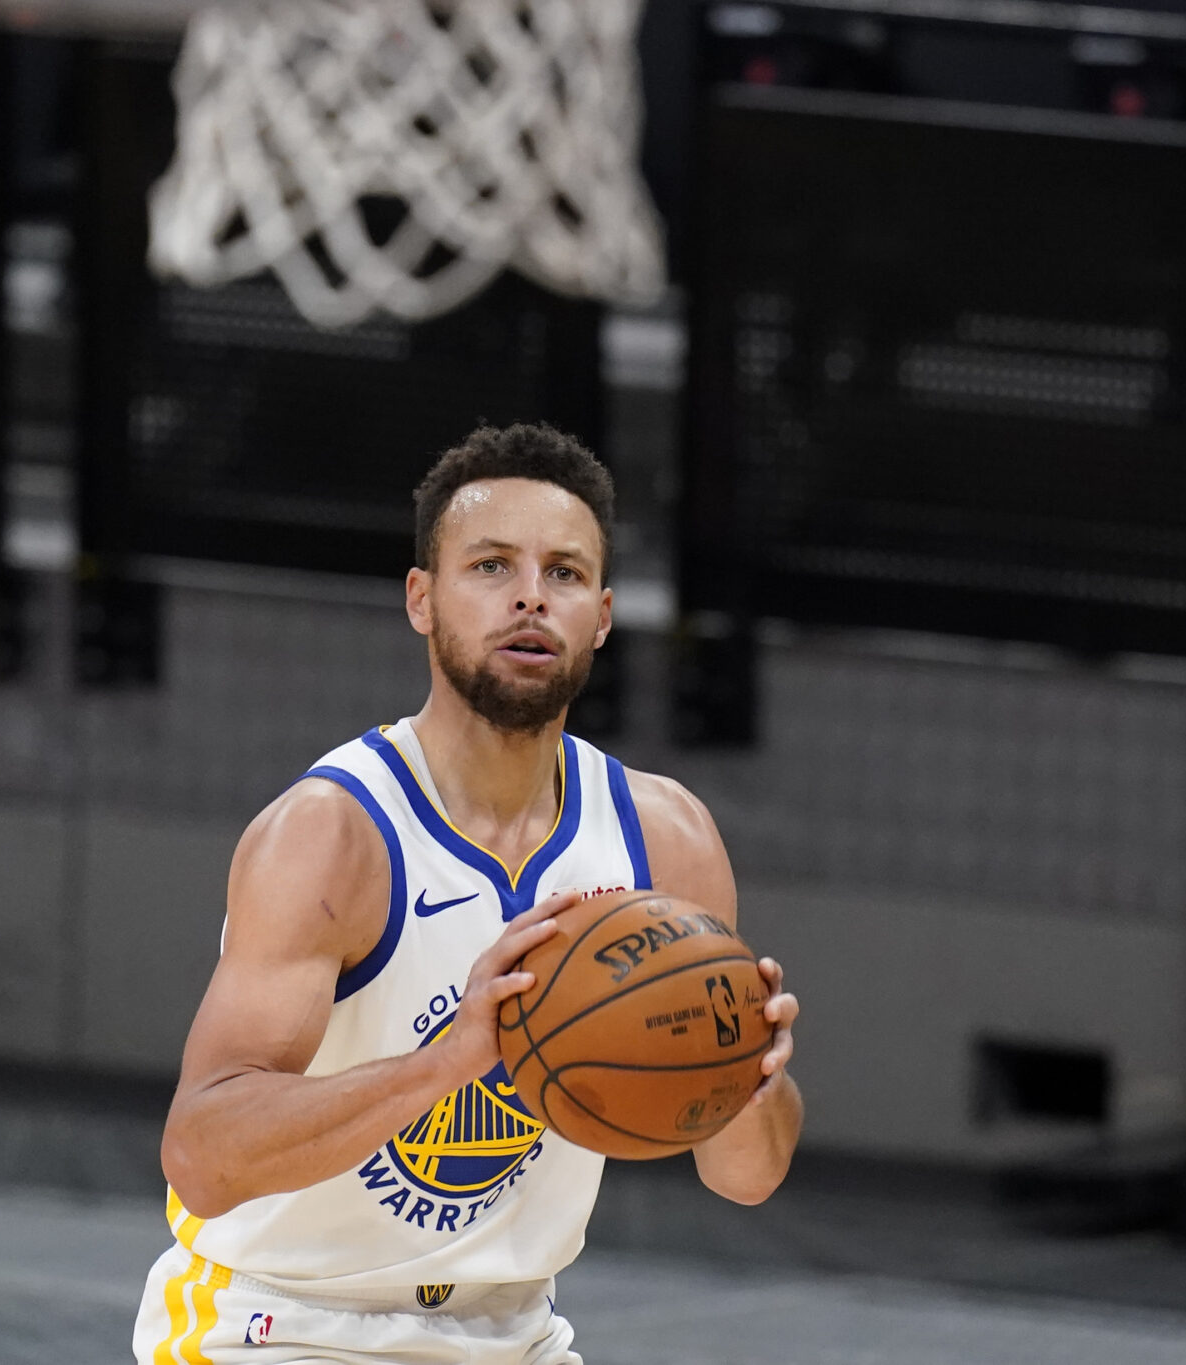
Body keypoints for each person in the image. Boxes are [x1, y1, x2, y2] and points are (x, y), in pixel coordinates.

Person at [135, 423, 803, 1365]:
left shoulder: (666, 840)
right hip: (281, 1323)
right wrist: (451, 1060)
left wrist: (748, 1072)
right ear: (422, 598)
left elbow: (747, 1177)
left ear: (602, 616)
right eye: (492, 566)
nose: (531, 594)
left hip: (512, 1333)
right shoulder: (333, 836)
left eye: (564, 573)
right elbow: (202, 1157)